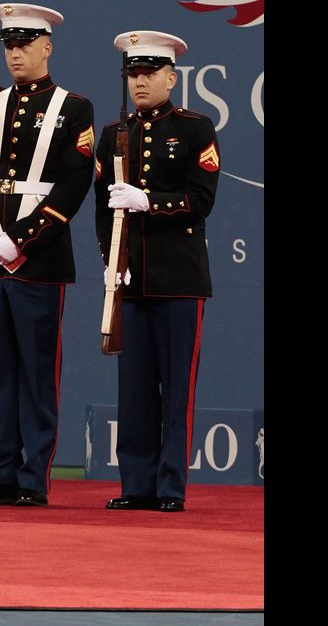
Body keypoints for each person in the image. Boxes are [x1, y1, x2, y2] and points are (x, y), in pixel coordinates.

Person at [0, 3, 95, 508]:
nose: (15, 52)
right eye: (8, 45)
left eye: (24, 43)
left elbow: (73, 183)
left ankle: (32, 478)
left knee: (36, 373)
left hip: (38, 259)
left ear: (46, 46)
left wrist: (25, 237)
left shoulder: (72, 108)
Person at [96, 30, 218, 513]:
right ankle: (136, 485)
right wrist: (111, 261)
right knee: (135, 390)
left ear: (172, 76)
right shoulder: (114, 134)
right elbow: (104, 211)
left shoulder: (195, 129)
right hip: (132, 278)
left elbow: (201, 200)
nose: (140, 81)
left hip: (179, 278)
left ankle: (170, 486)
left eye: (149, 72)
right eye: (133, 73)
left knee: (175, 390)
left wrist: (150, 200)